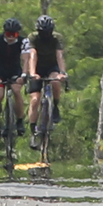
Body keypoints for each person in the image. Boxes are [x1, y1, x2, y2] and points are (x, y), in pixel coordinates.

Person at [27, 15, 68, 149]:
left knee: (55, 82)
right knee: (35, 100)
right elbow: (33, 55)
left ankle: (55, 106)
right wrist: (32, 73)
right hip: (37, 68)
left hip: (51, 66)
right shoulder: (33, 37)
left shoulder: (57, 38)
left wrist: (62, 72)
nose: (45, 35)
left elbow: (59, 56)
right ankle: (33, 132)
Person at [0, 18, 30, 139]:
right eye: (8, 34)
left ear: (18, 34)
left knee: (16, 91)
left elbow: (26, 59)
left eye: (14, 34)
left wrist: (24, 75)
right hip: (0, 72)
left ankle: (20, 121)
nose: (11, 37)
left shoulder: (23, 41)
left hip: (15, 71)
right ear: (4, 33)